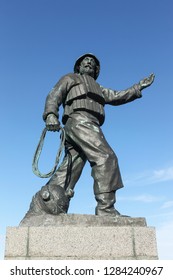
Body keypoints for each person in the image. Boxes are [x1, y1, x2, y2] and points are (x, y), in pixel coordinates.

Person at [41, 53, 155, 216]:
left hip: (90, 124)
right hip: (79, 120)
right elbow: (54, 95)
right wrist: (51, 114)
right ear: (78, 67)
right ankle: (105, 208)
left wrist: (138, 87)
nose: (89, 62)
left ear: (96, 70)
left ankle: (48, 204)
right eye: (85, 61)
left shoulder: (99, 88)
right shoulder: (69, 78)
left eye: (92, 62)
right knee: (106, 157)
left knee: (72, 167)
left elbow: (117, 96)